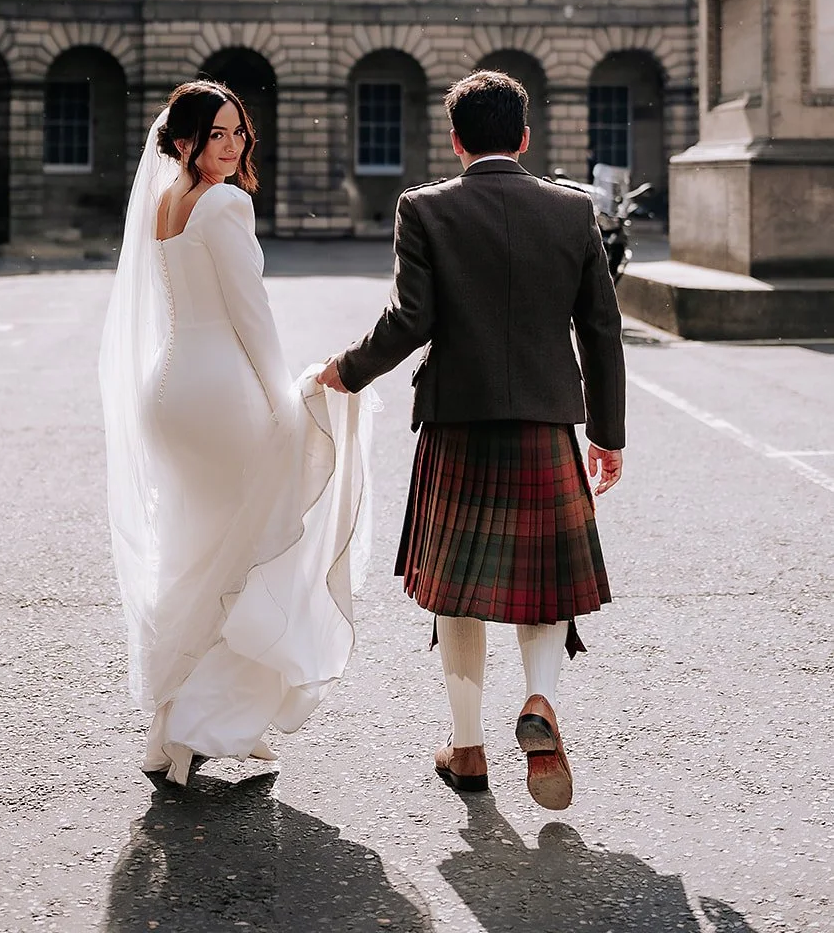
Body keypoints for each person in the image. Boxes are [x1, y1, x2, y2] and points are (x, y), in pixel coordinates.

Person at [318, 70, 625, 811]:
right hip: (547, 422)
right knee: (543, 587)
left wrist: (346, 371)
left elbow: (408, 320)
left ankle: (467, 748)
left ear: (455, 141)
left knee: (455, 592)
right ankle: (540, 701)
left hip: (457, 421)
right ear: (524, 137)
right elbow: (601, 331)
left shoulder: (424, 208)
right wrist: (606, 434)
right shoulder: (571, 210)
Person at [100, 80, 373, 788]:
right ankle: (200, 724)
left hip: (169, 391)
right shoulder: (225, 203)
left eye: (236, 133)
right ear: (183, 139)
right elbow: (251, 315)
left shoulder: (165, 203)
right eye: (215, 133)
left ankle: (186, 724)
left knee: (197, 556)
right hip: (222, 394)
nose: (230, 146)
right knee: (245, 558)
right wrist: (285, 400)